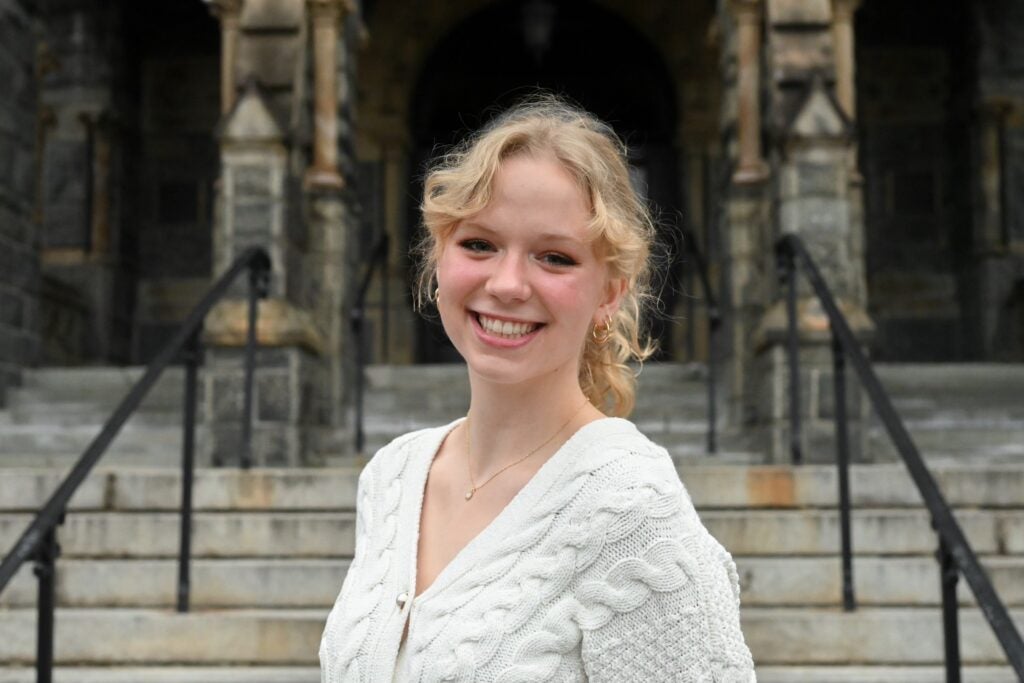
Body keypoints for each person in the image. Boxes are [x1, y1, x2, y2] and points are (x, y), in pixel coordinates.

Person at [320, 97, 756, 682]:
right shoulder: (393, 478)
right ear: (437, 260)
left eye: (554, 257)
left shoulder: (631, 508)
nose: (506, 284)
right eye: (479, 244)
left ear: (610, 293)